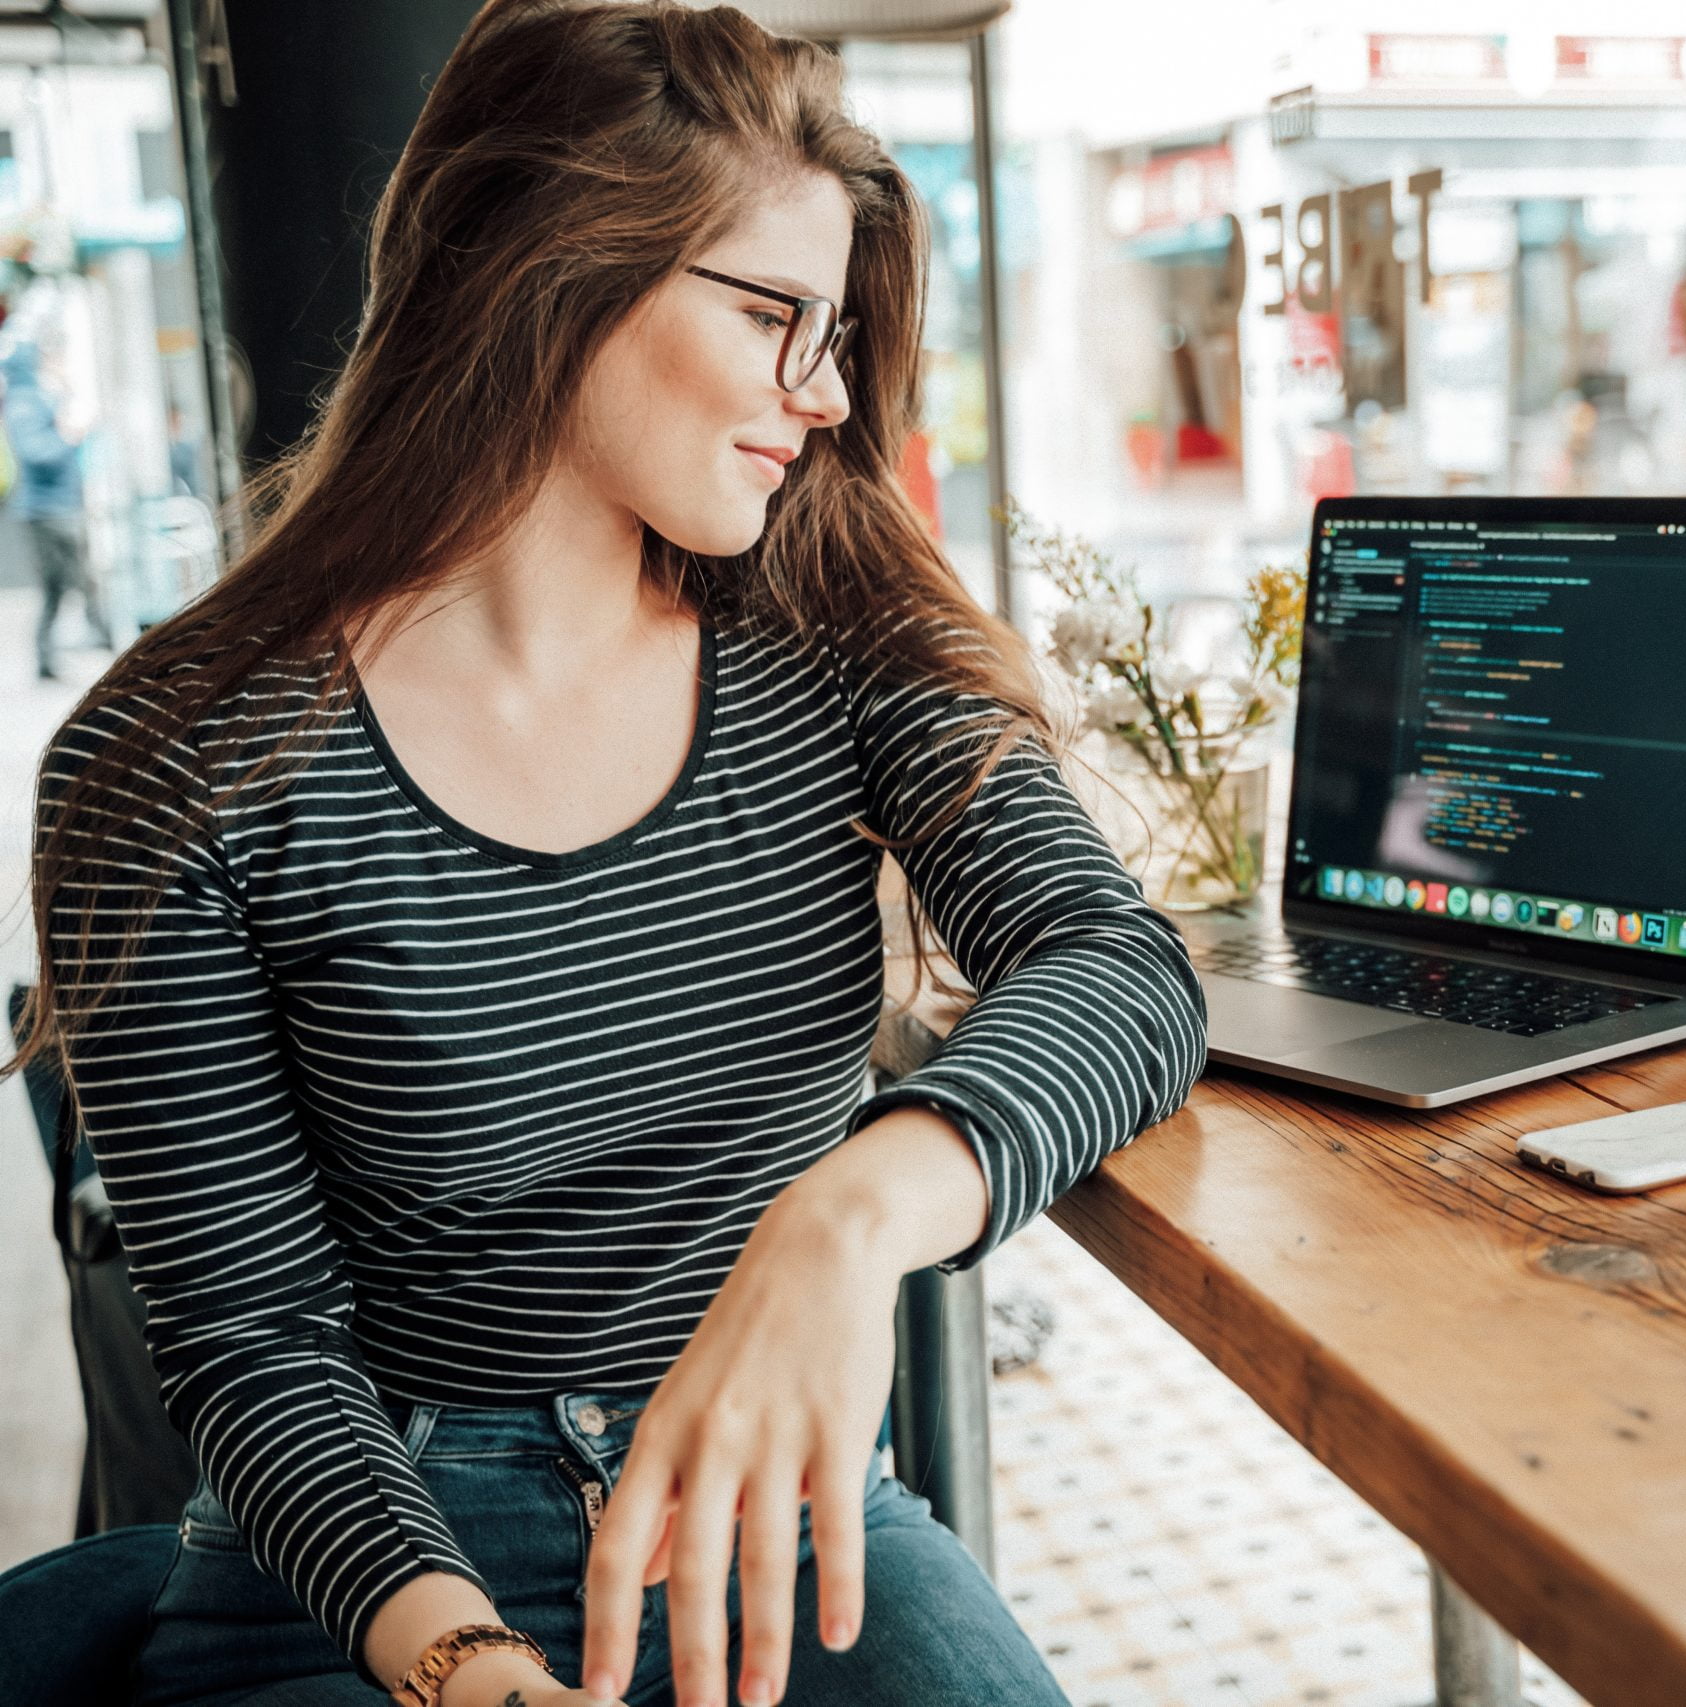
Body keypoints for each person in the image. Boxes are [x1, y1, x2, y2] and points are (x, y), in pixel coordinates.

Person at [12, 4, 1206, 1706]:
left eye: (840, 329)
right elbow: (253, 1346)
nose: (828, 393)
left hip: (779, 1518)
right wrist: (471, 1667)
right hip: (365, 1562)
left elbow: (1120, 966)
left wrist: (846, 1216)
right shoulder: (171, 764)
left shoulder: (836, 639)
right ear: (544, 271)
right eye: (773, 315)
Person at [5, 334, 111, 678]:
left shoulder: (41, 397)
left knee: (61, 584)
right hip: (47, 509)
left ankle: (53, 655)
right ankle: (97, 636)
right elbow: (36, 452)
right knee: (72, 579)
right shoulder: (24, 401)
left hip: (58, 504)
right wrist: (69, 436)